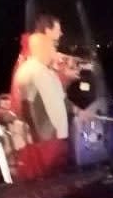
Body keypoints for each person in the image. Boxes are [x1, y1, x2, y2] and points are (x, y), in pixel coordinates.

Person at [12, 31, 70, 179]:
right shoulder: (29, 71)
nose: (54, 51)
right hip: (44, 139)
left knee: (57, 173)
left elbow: (61, 99)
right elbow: (26, 105)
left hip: (55, 137)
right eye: (51, 47)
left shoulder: (47, 72)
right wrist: (36, 136)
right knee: (42, 175)